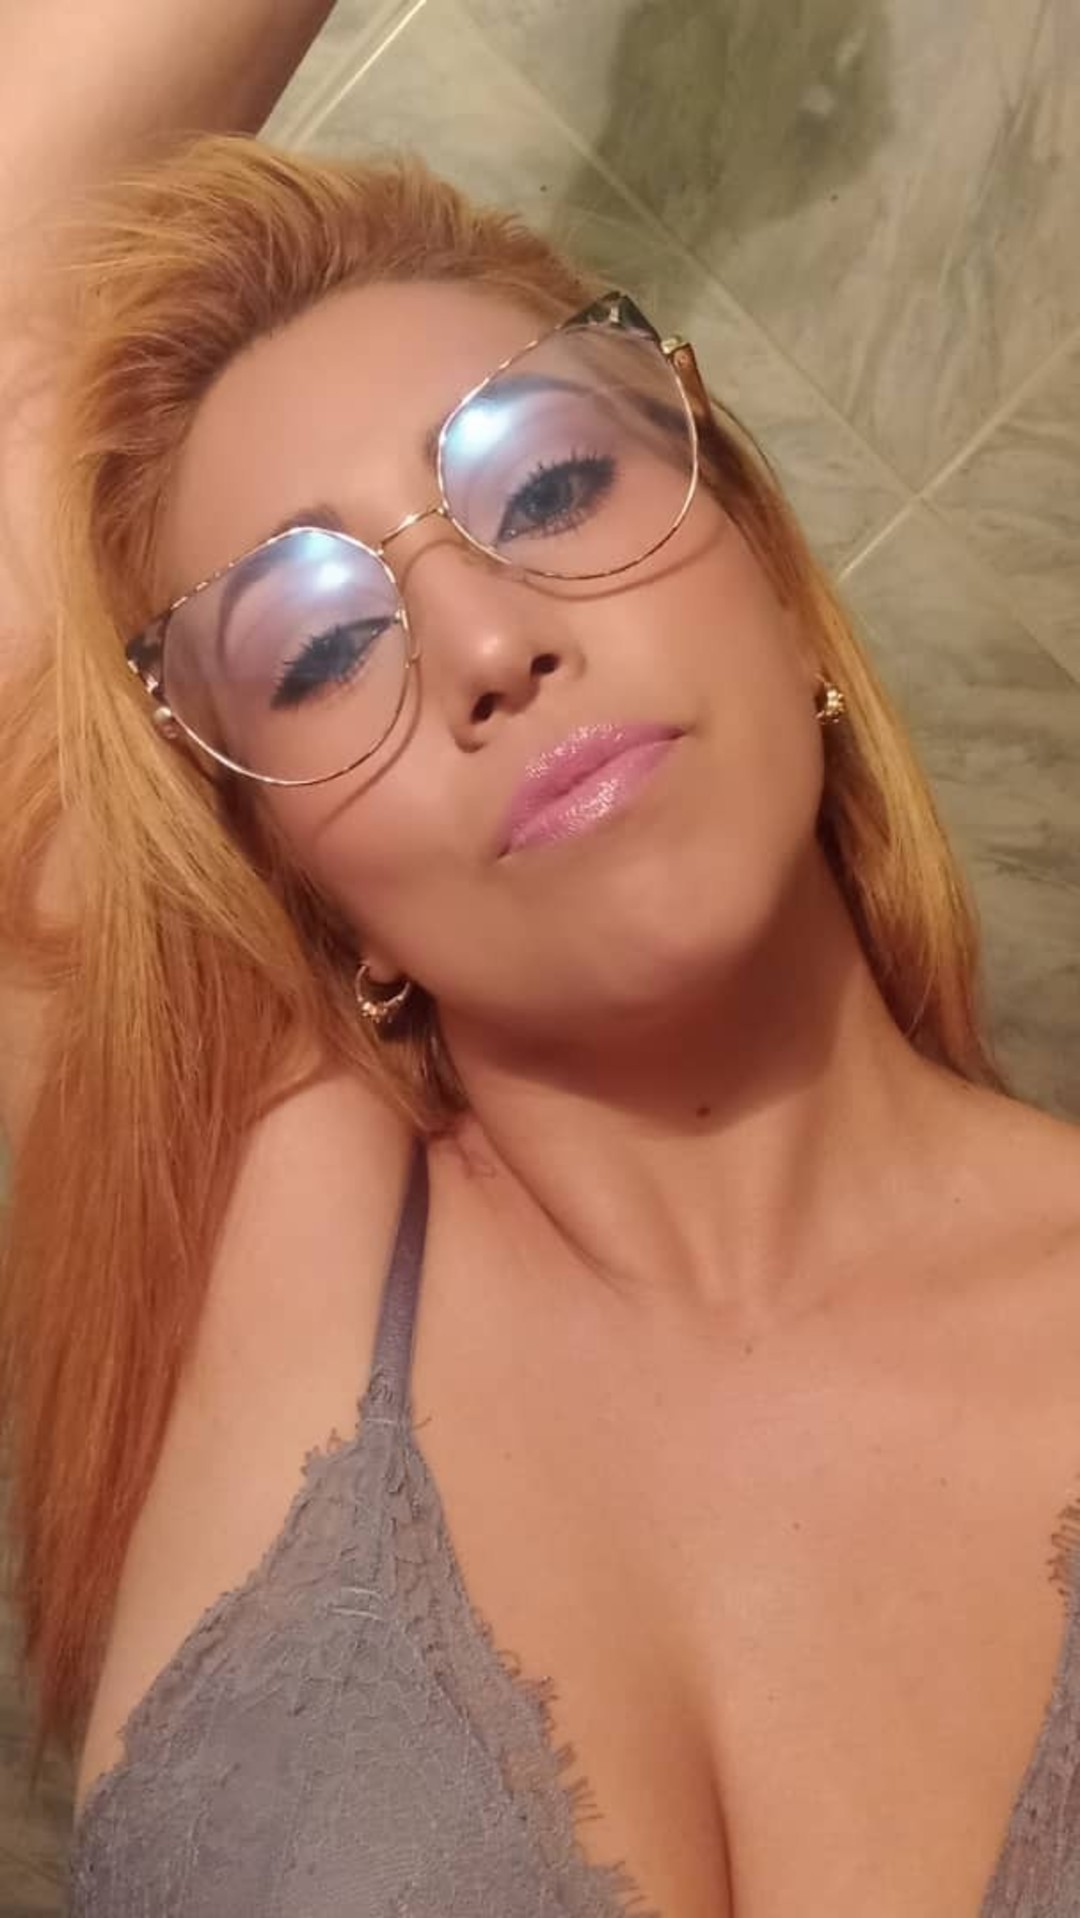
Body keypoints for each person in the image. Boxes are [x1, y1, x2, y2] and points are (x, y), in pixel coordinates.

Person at [1, 8, 1078, 1916]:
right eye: (320, 647)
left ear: (770, 571)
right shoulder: (263, 1242)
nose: (490, 644)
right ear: (310, 883)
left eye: (554, 483)